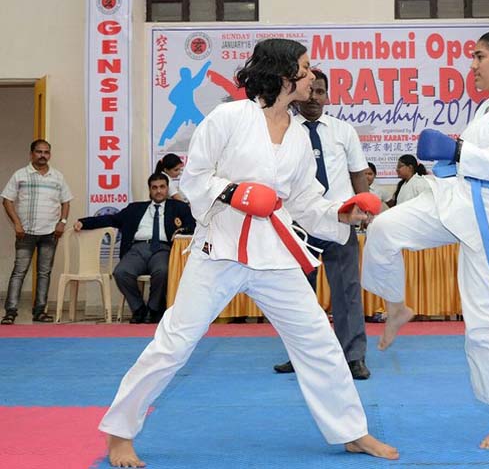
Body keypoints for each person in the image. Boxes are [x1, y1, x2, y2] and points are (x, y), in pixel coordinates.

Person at [98, 38, 398, 467]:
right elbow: (195, 178)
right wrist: (234, 192)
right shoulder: (228, 117)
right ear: (283, 74)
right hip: (218, 250)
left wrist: (345, 213)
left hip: (272, 253)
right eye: (306, 67)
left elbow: (307, 202)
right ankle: (119, 433)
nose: (313, 76)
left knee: (318, 340)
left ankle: (351, 431)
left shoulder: (297, 134)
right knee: (175, 342)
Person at [361, 30, 489, 449]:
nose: (472, 66)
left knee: (482, 317)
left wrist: (458, 150)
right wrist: (453, 155)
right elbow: (470, 160)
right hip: (461, 199)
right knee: (383, 228)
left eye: (478, 57)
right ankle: (396, 306)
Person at [274, 68, 371, 379]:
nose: (314, 97)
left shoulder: (344, 131)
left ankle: (353, 356)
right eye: (310, 90)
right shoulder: (285, 131)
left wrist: (364, 207)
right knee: (298, 295)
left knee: (348, 292)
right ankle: (301, 355)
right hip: (299, 223)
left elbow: (358, 173)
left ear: (328, 95)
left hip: (341, 220)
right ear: (299, 93)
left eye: (320, 92)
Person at [74, 173, 195, 324]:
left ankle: (153, 309)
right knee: (121, 272)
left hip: (162, 249)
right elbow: (111, 219)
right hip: (137, 249)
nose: (158, 191)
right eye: (154, 188)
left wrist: (182, 230)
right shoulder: (135, 208)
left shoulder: (179, 207)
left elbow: (193, 224)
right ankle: (139, 309)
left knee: (163, 271)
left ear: (167, 188)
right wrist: (84, 223)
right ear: (149, 190)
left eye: (162, 187)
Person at [1, 140, 72, 325]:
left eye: (46, 152)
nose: (43, 155)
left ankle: (39, 311)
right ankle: (10, 312)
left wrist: (62, 222)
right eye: (39, 152)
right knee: (19, 272)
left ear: (50, 154)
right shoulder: (21, 175)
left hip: (50, 233)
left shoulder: (57, 177)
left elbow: (66, 201)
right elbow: (7, 200)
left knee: (44, 273)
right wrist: (17, 224)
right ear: (31, 154)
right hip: (26, 233)